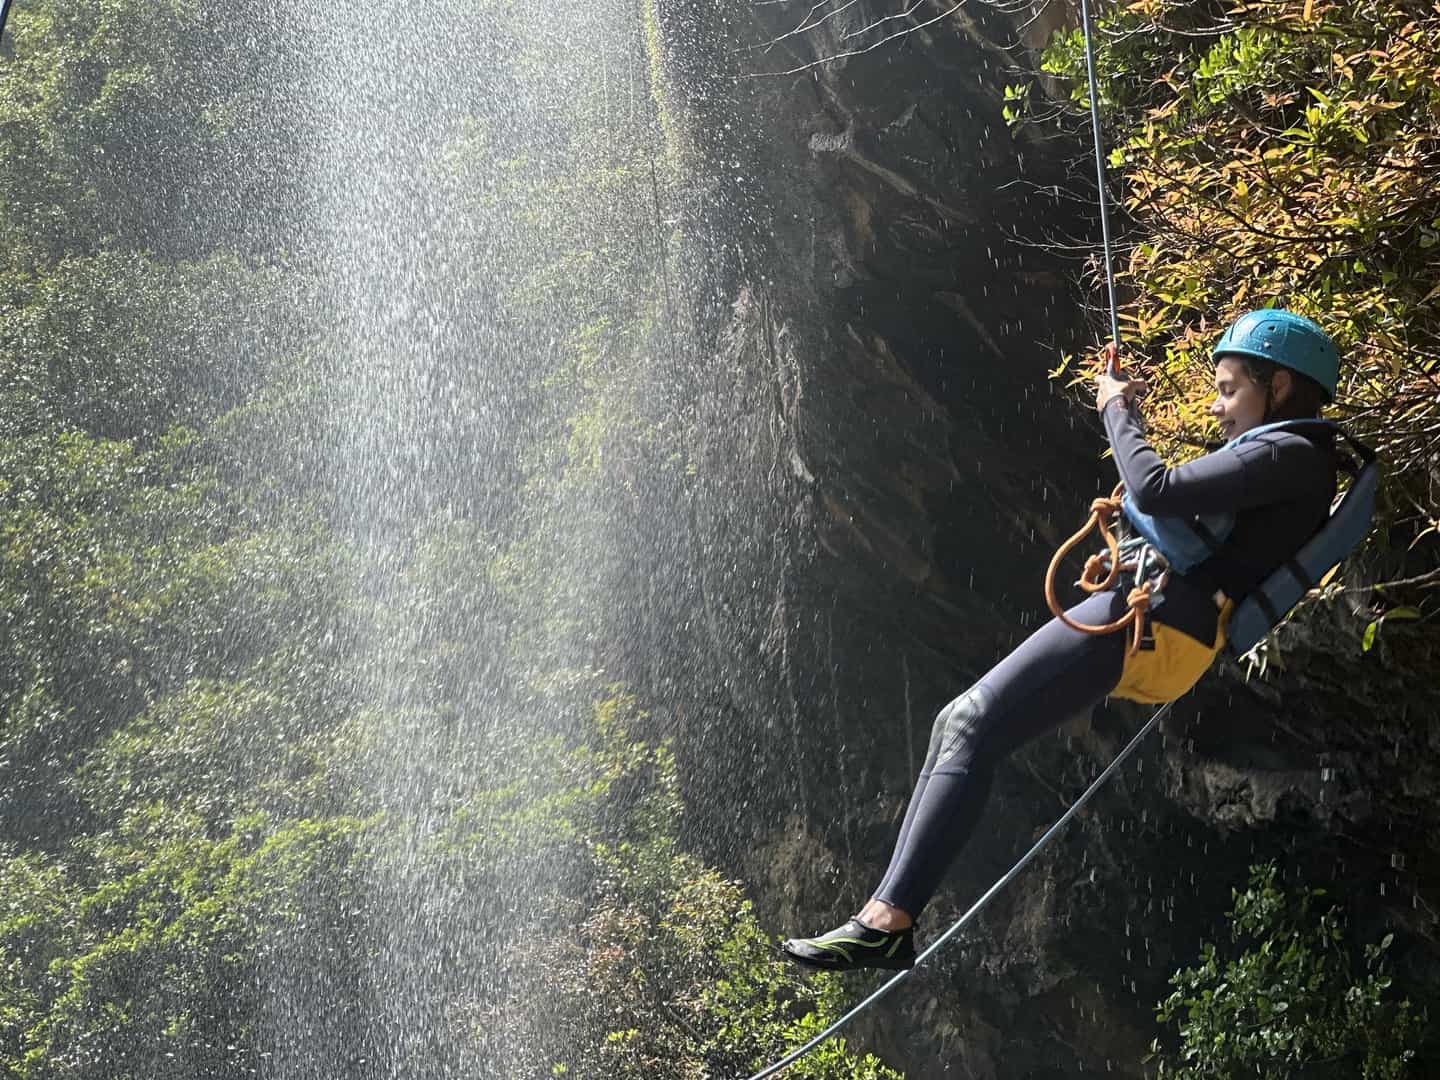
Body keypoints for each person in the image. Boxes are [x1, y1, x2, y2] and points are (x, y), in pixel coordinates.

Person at [781, 310, 1343, 971]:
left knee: (968, 722)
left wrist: (1115, 411)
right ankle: (887, 917)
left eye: (1228, 388)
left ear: (1277, 385)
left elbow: (1156, 490)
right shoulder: (1290, 456)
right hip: (1159, 620)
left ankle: (888, 921)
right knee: (960, 724)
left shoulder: (1291, 455)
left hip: (1152, 621)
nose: (1218, 407)